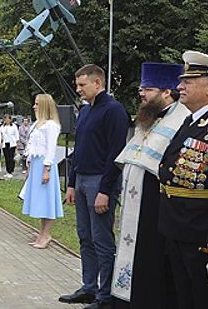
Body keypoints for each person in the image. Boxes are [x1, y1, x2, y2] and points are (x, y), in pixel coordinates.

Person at [110, 63, 186, 309]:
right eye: (142, 89)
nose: (141, 94)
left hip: (155, 205)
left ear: (167, 91)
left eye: (148, 89)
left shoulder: (181, 121)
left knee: (150, 260)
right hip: (134, 205)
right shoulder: (147, 118)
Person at [157, 52, 208, 309]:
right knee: (183, 297)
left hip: (200, 230)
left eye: (188, 81)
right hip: (176, 226)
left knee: (202, 298)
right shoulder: (194, 119)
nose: (179, 87)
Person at [60, 64, 129, 309]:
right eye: (77, 84)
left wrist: (105, 190)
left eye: (82, 85)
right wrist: (70, 183)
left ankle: (105, 295)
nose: (78, 89)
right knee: (85, 237)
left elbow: (116, 154)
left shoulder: (114, 111)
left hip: (101, 180)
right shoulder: (86, 111)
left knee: (102, 240)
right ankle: (88, 287)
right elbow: (79, 149)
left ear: (97, 83)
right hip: (81, 180)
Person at [21, 94, 64, 248]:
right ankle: (41, 234)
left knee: (47, 201)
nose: (34, 106)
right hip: (36, 164)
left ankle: (46, 235)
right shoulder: (37, 124)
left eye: (37, 104)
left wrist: (47, 169)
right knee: (40, 201)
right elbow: (32, 148)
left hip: (46, 166)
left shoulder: (51, 125)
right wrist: (29, 166)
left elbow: (51, 149)